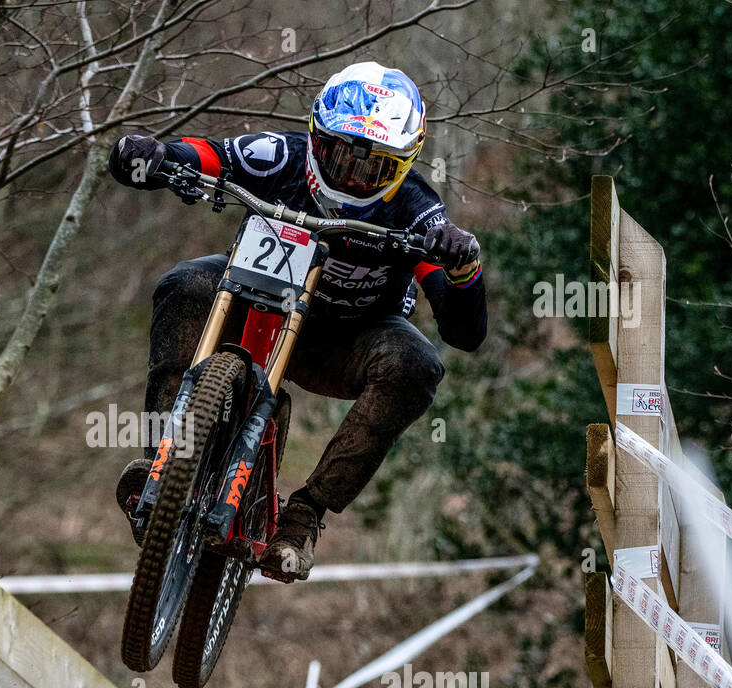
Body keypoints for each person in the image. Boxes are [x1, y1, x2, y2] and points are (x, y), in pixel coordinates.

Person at [108, 61, 487, 581]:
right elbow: (209, 155)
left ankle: (307, 514)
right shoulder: (278, 155)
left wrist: (462, 269)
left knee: (417, 364)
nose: (353, 176)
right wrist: (154, 152)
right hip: (251, 304)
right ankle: (162, 462)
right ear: (315, 139)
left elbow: (463, 332)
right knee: (184, 284)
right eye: (338, 156)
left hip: (347, 340)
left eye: (372, 168)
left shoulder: (417, 210)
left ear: (401, 167)